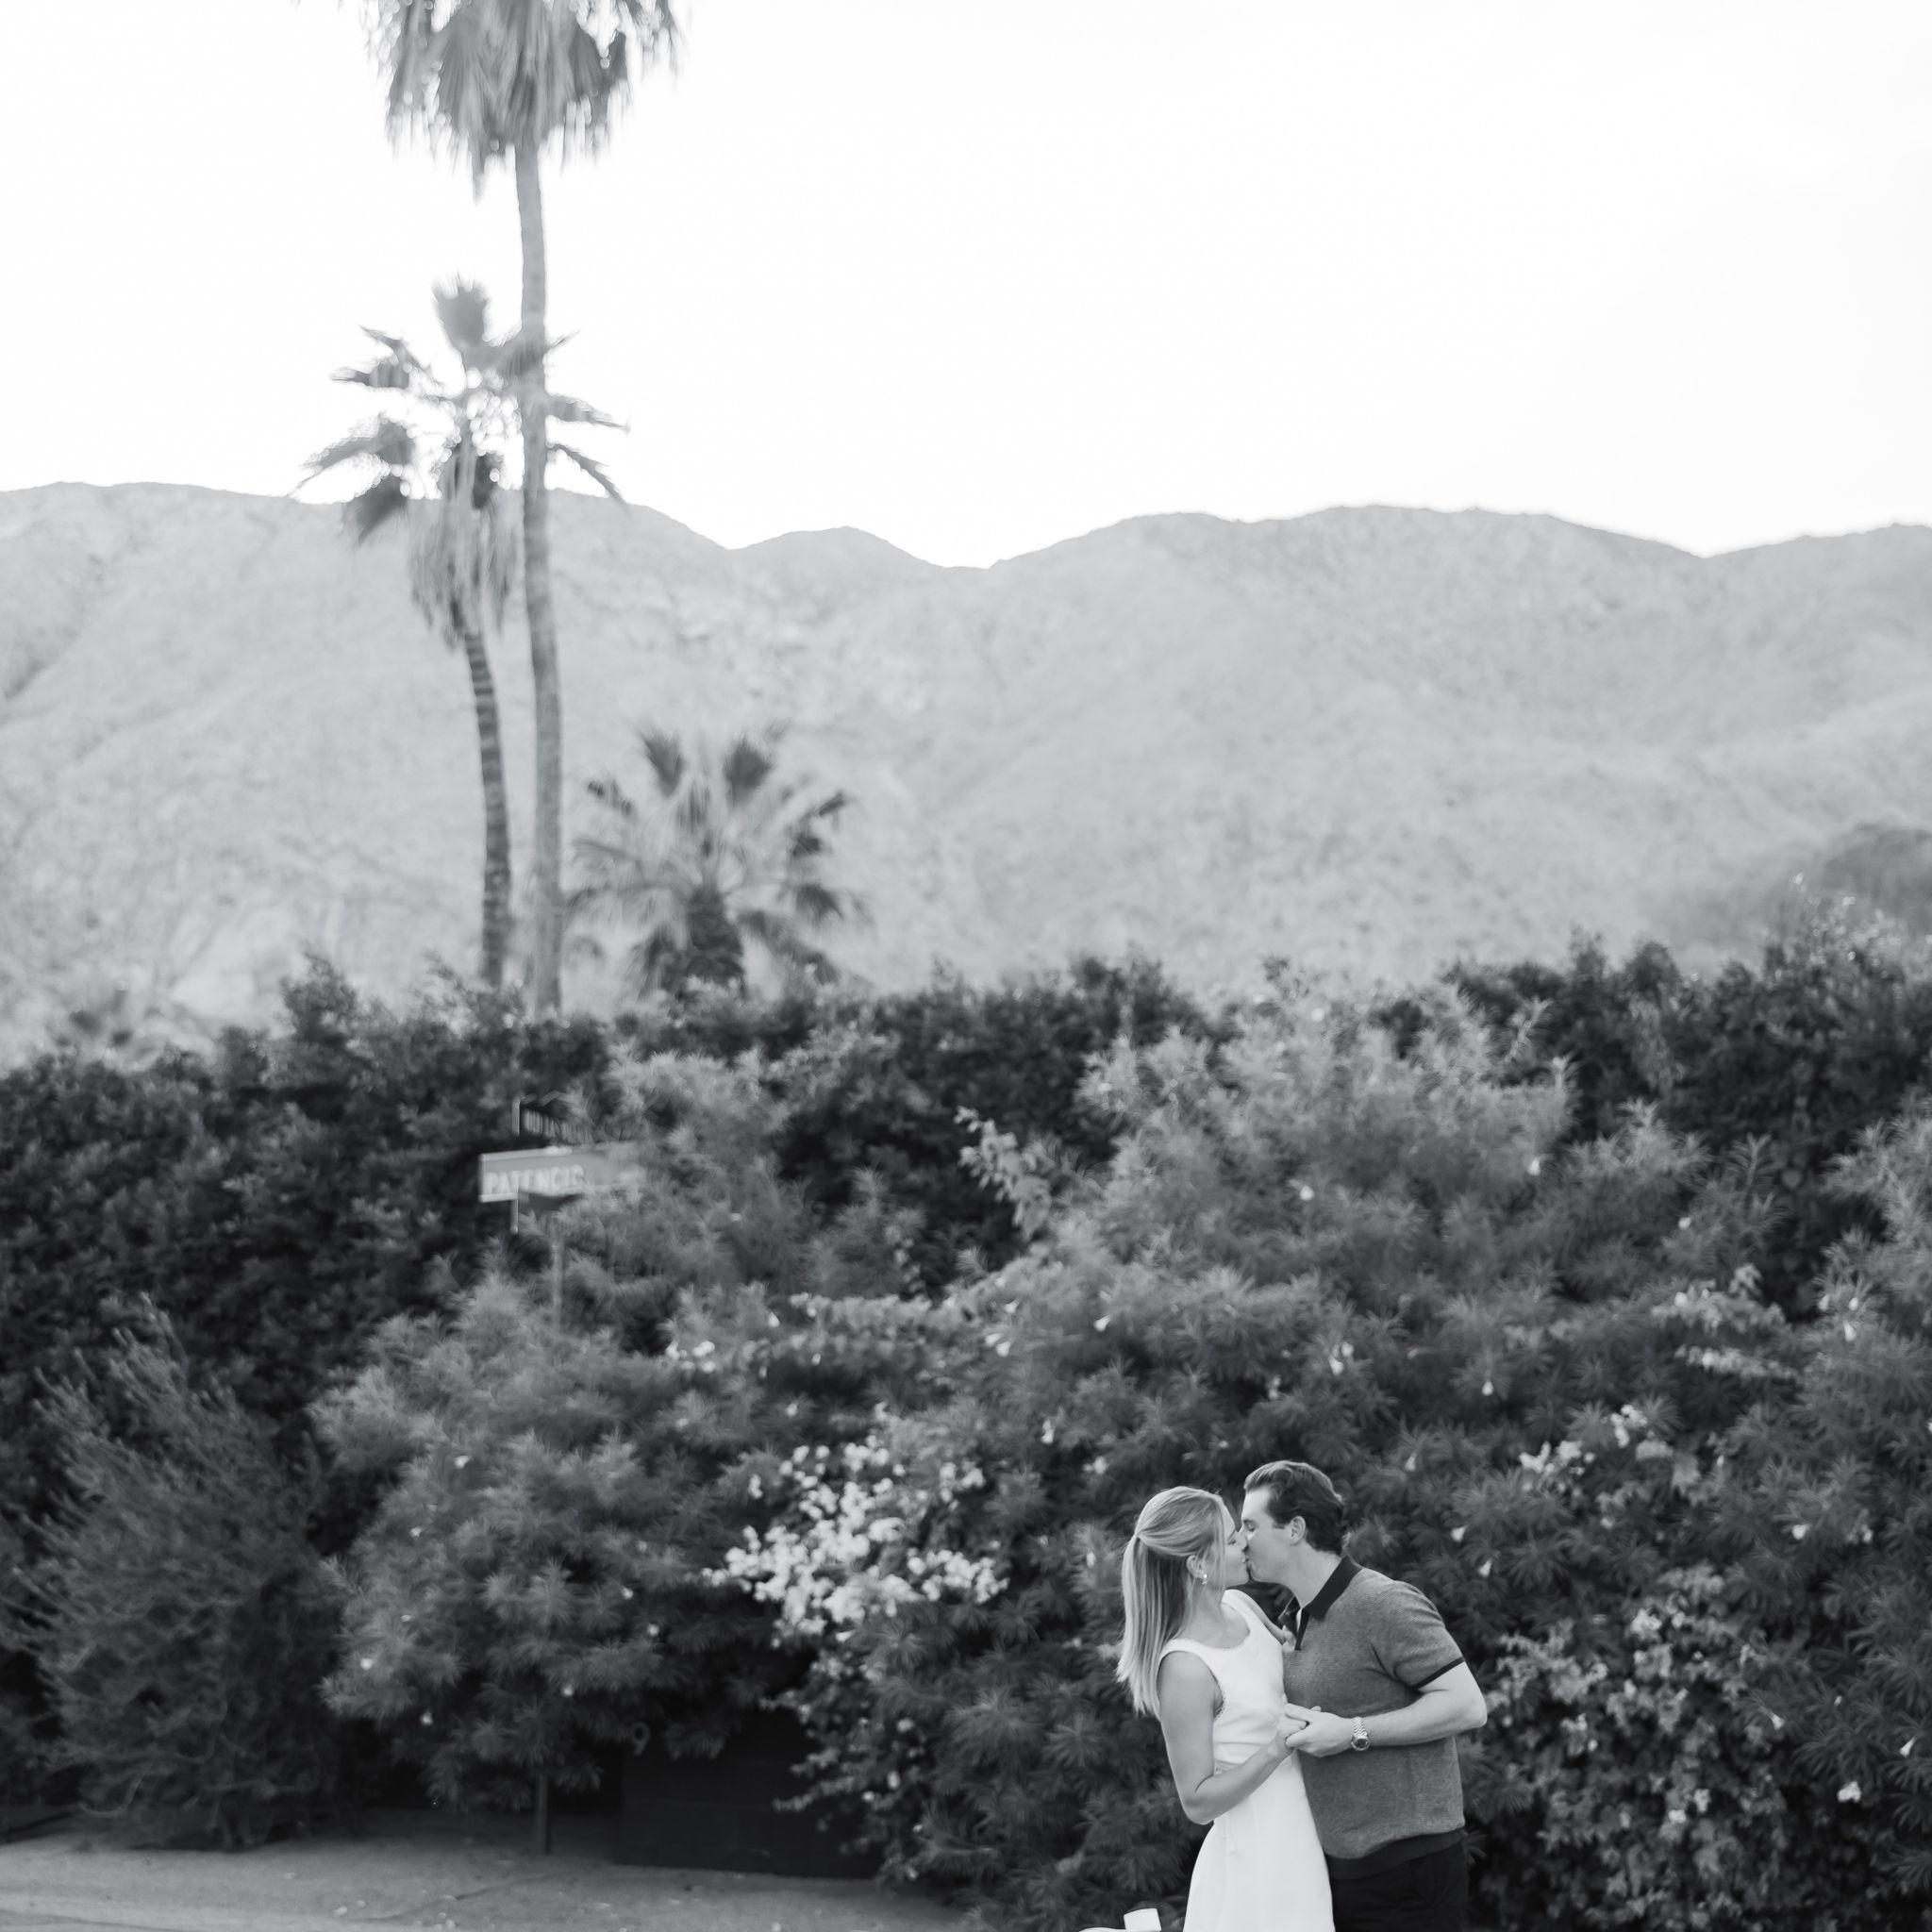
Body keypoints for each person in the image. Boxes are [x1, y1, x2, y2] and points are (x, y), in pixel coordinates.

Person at [1240, 1460, 1488, 1932]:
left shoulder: (1383, 1602)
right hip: (1339, 1874)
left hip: (1408, 1871)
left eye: (1251, 1526)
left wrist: (1353, 1732)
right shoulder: (1293, 1619)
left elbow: (1467, 1705)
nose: (1241, 1539)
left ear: (1295, 1529)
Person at [1117, 1485, 1333, 1932]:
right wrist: (1274, 1749)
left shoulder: (1242, 1605)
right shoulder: (1185, 1667)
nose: (1246, 1543)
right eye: (1233, 1538)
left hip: (1314, 1822)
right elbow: (1197, 1802)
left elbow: (1290, 1675)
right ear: (1198, 1565)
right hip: (1264, 1853)